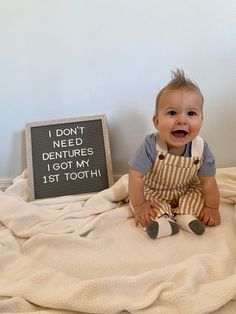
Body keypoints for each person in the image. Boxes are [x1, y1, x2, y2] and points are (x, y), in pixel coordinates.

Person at [128, 69, 221, 239]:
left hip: (185, 189)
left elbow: (208, 181)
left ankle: (185, 216)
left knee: (198, 194)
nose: (182, 120)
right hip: (155, 189)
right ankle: (164, 221)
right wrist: (140, 205)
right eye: (172, 113)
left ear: (201, 120)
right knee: (146, 201)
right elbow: (135, 175)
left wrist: (212, 208)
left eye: (191, 114)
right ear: (156, 121)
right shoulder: (151, 145)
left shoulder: (201, 147)